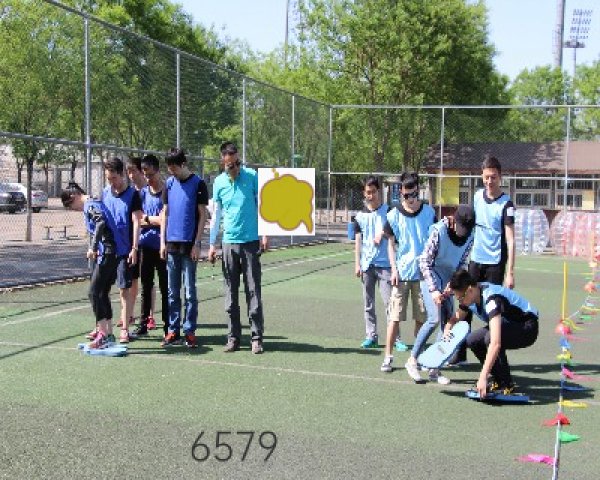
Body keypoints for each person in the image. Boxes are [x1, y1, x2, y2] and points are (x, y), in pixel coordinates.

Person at [451, 155, 516, 365]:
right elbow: (467, 225)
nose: (489, 181)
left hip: (495, 264)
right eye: (486, 177)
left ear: (500, 177)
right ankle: (460, 351)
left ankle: (494, 356)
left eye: (493, 177)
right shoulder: (477, 197)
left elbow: (510, 240)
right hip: (475, 261)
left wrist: (510, 273)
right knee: (465, 304)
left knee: (492, 310)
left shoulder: (506, 204)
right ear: (482, 176)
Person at [403, 205, 475, 383]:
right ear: (454, 221)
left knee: (447, 323)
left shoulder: (470, 236)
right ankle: (412, 360)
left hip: (449, 277)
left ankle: (434, 368)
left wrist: (453, 284)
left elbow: (462, 263)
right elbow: (424, 262)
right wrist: (434, 290)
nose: (464, 233)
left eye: (467, 229)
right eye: (462, 228)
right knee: (434, 318)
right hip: (431, 274)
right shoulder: (439, 231)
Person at [208, 141, 268, 354]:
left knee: (253, 291)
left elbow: (263, 205)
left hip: (250, 243)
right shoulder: (219, 183)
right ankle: (233, 337)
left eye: (236, 163)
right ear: (223, 163)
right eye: (229, 165)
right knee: (230, 293)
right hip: (228, 243)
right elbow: (216, 215)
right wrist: (212, 244)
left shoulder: (252, 176)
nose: (234, 168)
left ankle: (256, 337)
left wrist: (265, 233)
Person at [445, 269, 539, 398]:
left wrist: (483, 377)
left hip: (527, 328)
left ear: (470, 290)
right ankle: (499, 380)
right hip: (508, 326)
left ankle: (507, 385)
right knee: (472, 340)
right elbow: (456, 317)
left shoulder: (492, 299)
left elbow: (495, 343)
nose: (460, 302)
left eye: (460, 298)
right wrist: (448, 328)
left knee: (490, 338)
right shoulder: (472, 295)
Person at [380, 172, 435, 373]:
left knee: (421, 318)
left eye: (414, 194)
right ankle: (388, 357)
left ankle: (417, 356)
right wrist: (394, 269)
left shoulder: (429, 212)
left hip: (423, 275)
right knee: (394, 317)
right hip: (402, 274)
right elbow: (390, 244)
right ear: (400, 193)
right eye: (406, 195)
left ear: (418, 191)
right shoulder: (393, 215)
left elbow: (434, 240)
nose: (411, 199)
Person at [160, 148, 208, 348]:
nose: (171, 172)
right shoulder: (169, 184)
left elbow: (203, 215)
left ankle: (189, 331)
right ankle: (173, 331)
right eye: (169, 168)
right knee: (172, 292)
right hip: (171, 245)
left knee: (190, 292)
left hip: (189, 246)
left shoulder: (198, 184)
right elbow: (165, 213)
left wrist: (197, 243)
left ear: (183, 164)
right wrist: (162, 242)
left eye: (174, 168)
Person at [60, 182, 118, 348]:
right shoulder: (95, 201)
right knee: (102, 293)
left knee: (93, 292)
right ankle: (108, 334)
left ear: (74, 197)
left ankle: (102, 334)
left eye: (70, 206)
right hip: (111, 251)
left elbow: (100, 223)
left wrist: (93, 247)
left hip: (107, 252)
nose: (73, 210)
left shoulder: (90, 205)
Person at [102, 157, 143, 343]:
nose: (112, 182)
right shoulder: (105, 193)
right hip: (107, 250)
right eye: (108, 179)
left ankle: (125, 328)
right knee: (101, 289)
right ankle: (102, 328)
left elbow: (136, 222)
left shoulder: (133, 195)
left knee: (123, 289)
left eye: (114, 178)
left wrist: (134, 248)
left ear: (122, 175)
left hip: (124, 250)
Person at [352, 176, 391, 348]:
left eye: (374, 192)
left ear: (379, 192)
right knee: (368, 304)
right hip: (367, 265)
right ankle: (371, 336)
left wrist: (382, 233)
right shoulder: (359, 216)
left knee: (390, 303)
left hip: (385, 265)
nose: (371, 195)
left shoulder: (389, 212)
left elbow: (395, 231)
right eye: (368, 192)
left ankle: (395, 338)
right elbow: (358, 241)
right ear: (364, 193)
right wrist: (357, 264)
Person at [133, 154, 168, 337]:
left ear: (158, 171)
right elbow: (138, 219)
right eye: (145, 175)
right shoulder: (142, 194)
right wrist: (152, 220)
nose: (148, 178)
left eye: (150, 174)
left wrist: (150, 220)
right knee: (146, 287)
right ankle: (143, 324)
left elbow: (166, 220)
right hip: (145, 246)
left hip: (163, 248)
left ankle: (168, 326)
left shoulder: (167, 192)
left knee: (166, 287)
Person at [123, 157, 147, 328]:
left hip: (148, 241)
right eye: (128, 171)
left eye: (133, 171)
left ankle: (149, 315)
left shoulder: (148, 190)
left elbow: (143, 217)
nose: (131, 175)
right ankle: (129, 314)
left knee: (147, 281)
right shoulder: (130, 193)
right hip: (133, 241)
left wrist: (145, 220)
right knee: (130, 280)